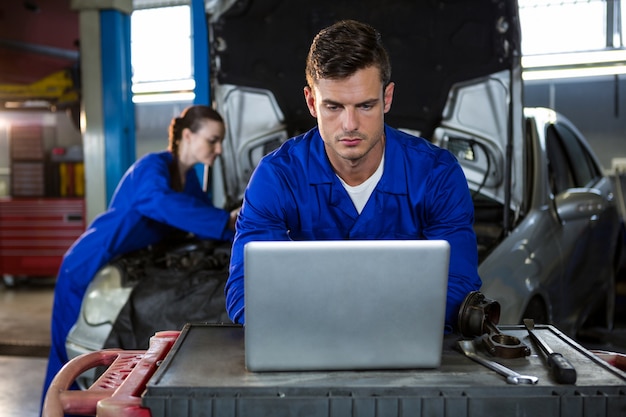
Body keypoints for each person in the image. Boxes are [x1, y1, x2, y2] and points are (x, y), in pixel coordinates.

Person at [225, 19, 482, 332]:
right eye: (333, 107)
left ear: (387, 98)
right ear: (311, 102)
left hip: (406, 356)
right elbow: (246, 291)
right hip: (306, 352)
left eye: (365, 105)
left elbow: (458, 285)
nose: (349, 124)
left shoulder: (437, 175)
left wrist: (349, 325)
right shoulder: (276, 178)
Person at [42, 105, 239, 400]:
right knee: (71, 360)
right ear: (187, 135)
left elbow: (201, 222)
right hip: (88, 264)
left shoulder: (190, 182)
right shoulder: (152, 167)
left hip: (118, 268)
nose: (219, 149)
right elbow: (159, 203)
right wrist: (226, 221)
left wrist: (239, 223)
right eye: (213, 140)